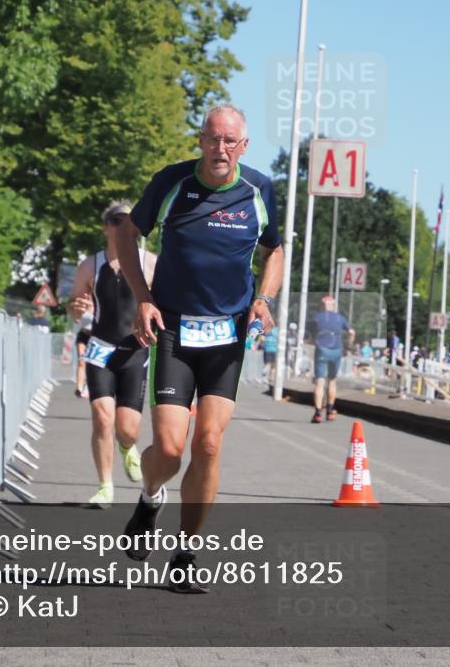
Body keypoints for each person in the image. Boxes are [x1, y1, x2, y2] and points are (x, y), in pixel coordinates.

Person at [115, 104, 283, 593]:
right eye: (213, 139)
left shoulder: (258, 190)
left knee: (208, 443)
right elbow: (129, 233)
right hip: (173, 331)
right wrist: (142, 299)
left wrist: (264, 299)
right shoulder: (171, 183)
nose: (221, 149)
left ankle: (186, 553)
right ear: (201, 141)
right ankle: (150, 496)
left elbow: (274, 249)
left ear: (244, 147)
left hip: (227, 335)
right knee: (169, 448)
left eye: (230, 141)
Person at [67, 202, 157, 507]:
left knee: (127, 428)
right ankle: (105, 486)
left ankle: (127, 446)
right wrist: (76, 308)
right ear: (106, 227)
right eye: (117, 221)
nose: (124, 226)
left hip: (135, 352)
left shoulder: (150, 263)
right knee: (102, 418)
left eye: (131, 221)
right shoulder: (90, 266)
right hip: (100, 349)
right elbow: (73, 305)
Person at [307, 295, 354, 424]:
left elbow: (309, 335)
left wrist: (311, 341)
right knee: (332, 380)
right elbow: (351, 332)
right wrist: (348, 346)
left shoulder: (317, 317)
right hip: (337, 350)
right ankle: (330, 410)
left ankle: (317, 413)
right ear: (333, 306)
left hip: (322, 349)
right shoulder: (341, 318)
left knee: (320, 382)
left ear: (322, 306)